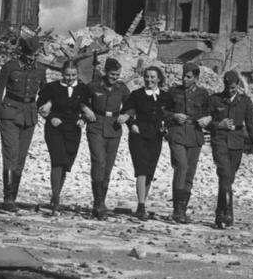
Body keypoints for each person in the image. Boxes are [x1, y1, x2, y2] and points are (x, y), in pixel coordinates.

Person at [0, 35, 46, 210]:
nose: (32, 59)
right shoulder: (10, 67)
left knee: (20, 159)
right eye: (30, 55)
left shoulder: (40, 69)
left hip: (29, 116)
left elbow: (44, 92)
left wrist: (47, 105)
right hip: (9, 114)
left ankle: (13, 195)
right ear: (22, 53)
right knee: (10, 156)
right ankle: (8, 199)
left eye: (35, 55)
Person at [208, 70, 253, 229]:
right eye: (227, 87)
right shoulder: (215, 100)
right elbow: (205, 120)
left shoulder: (244, 101)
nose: (229, 90)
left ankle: (219, 213)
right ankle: (228, 213)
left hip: (237, 143)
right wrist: (219, 124)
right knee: (224, 174)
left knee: (228, 179)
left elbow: (252, 123)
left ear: (237, 86)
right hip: (219, 141)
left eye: (233, 87)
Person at [36, 60, 89, 213]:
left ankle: (56, 195)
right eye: (67, 75)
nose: (70, 78)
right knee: (57, 161)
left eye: (73, 75)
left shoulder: (83, 88)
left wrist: (83, 119)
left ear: (77, 74)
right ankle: (55, 197)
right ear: (62, 73)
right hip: (55, 128)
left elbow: (87, 106)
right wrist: (50, 117)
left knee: (66, 163)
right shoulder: (52, 87)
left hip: (73, 129)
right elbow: (39, 104)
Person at [82, 57, 131, 219]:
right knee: (99, 162)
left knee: (108, 167)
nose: (114, 77)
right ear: (105, 72)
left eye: (117, 74)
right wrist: (85, 109)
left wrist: (126, 114)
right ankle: (98, 202)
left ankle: (101, 202)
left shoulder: (121, 88)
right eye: (112, 74)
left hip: (114, 129)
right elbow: (80, 99)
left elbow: (131, 105)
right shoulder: (93, 86)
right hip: (96, 126)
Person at [164, 62, 211, 223]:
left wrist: (208, 119)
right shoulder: (173, 92)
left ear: (196, 78)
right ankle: (177, 208)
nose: (184, 79)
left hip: (195, 135)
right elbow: (163, 111)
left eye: (188, 77)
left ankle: (182, 210)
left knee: (190, 173)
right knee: (181, 167)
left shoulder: (203, 94)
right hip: (177, 133)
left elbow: (211, 113)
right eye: (183, 76)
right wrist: (174, 116)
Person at [122, 65, 169, 221]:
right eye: (147, 76)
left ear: (159, 79)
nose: (149, 80)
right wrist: (132, 124)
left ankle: (144, 202)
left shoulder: (165, 96)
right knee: (141, 170)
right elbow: (127, 112)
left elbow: (169, 114)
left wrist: (166, 127)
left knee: (150, 171)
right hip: (139, 136)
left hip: (156, 137)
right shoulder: (136, 95)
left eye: (152, 77)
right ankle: (141, 205)